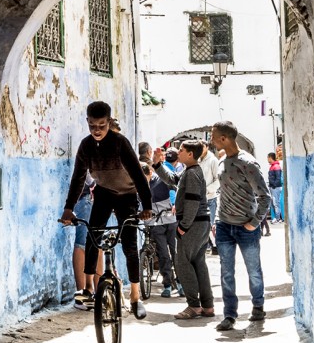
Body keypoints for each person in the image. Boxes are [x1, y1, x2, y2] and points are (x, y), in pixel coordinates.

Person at [60, 101, 154, 320]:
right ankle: (89, 289)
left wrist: (147, 206)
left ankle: (135, 297)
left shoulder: (120, 143)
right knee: (93, 234)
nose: (97, 130)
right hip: (103, 192)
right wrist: (68, 208)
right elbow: (78, 178)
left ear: (109, 122)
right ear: (87, 122)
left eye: (101, 125)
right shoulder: (85, 146)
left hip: (127, 195)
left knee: (130, 244)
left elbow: (139, 177)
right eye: (92, 125)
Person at [210, 121, 272, 331]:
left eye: (214, 136)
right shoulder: (221, 161)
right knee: (226, 273)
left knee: (253, 270)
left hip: (246, 227)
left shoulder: (248, 163)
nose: (211, 140)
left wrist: (254, 223)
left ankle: (258, 306)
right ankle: (229, 315)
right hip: (224, 225)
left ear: (224, 139)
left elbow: (265, 196)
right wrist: (217, 220)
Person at [171, 140, 216, 319]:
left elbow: (192, 201)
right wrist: (158, 165)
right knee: (198, 263)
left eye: (181, 150)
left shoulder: (192, 173)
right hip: (199, 223)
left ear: (190, 154)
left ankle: (193, 305)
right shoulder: (189, 172)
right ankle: (207, 305)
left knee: (182, 263)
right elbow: (174, 181)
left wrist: (184, 226)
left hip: (193, 223)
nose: (178, 153)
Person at [141, 162, 180, 298]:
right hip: (155, 223)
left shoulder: (161, 181)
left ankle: (180, 282)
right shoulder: (139, 186)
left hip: (171, 220)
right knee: (163, 254)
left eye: (143, 177)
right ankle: (167, 284)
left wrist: (175, 204)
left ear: (150, 173)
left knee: (175, 252)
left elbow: (176, 188)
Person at [71, 172, 102, 310]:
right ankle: (84, 295)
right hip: (86, 195)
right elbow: (88, 172)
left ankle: (98, 293)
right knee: (83, 245)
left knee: (97, 244)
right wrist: (95, 184)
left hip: (92, 196)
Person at [199, 140, 220, 254]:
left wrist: (207, 190)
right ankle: (207, 245)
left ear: (206, 147)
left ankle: (214, 245)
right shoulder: (197, 160)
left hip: (210, 198)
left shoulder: (213, 161)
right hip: (198, 198)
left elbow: (218, 180)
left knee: (209, 223)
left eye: (201, 147)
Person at [267, 152, 284, 223]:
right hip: (273, 187)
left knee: (276, 203)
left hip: (275, 188)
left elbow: (278, 178)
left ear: (270, 158)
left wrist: (274, 185)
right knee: (273, 203)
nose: (267, 159)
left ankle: (277, 218)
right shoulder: (272, 166)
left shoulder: (276, 167)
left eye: (268, 157)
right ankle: (276, 218)